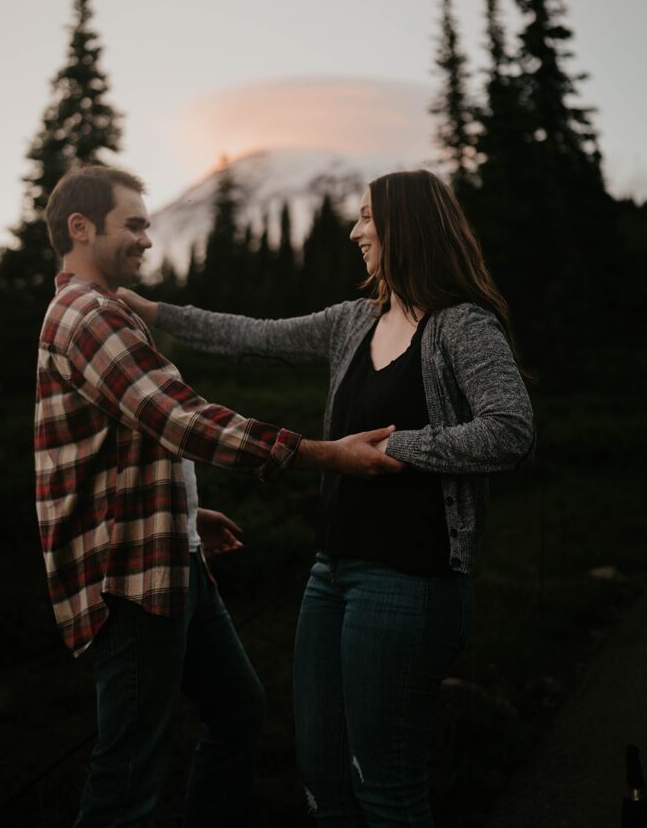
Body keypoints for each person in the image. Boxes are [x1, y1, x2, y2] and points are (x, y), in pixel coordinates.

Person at [119, 168, 536, 827]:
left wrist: (393, 451)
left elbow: (509, 431)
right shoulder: (352, 321)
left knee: (386, 790)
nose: (354, 230)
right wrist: (148, 311)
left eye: (367, 217)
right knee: (324, 786)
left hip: (410, 583)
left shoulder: (462, 326)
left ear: (405, 225)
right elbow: (252, 336)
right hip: (330, 575)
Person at [34, 164, 404, 828]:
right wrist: (324, 455)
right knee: (126, 772)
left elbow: (126, 437)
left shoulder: (103, 311)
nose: (148, 239)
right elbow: (181, 418)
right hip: (129, 579)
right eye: (135, 225)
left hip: (168, 555)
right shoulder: (87, 314)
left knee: (236, 710)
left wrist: (181, 507)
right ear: (80, 228)